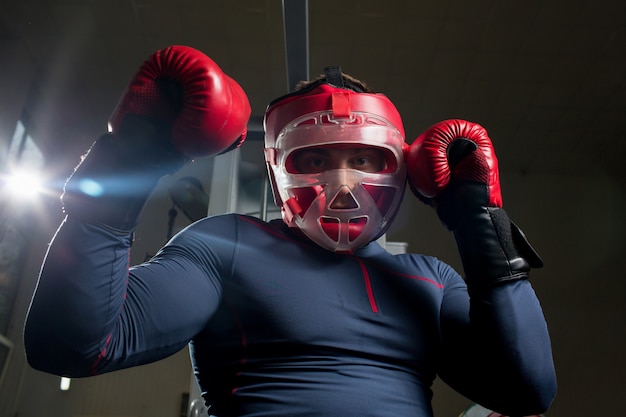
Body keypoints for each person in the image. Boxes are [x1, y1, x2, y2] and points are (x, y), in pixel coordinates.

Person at [23, 45, 556, 417]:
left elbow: (526, 389)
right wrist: (126, 163)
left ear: (400, 166)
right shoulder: (225, 247)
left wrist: (478, 220)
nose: (343, 185)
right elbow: (71, 345)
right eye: (316, 158)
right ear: (279, 168)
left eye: (365, 159)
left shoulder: (431, 281)